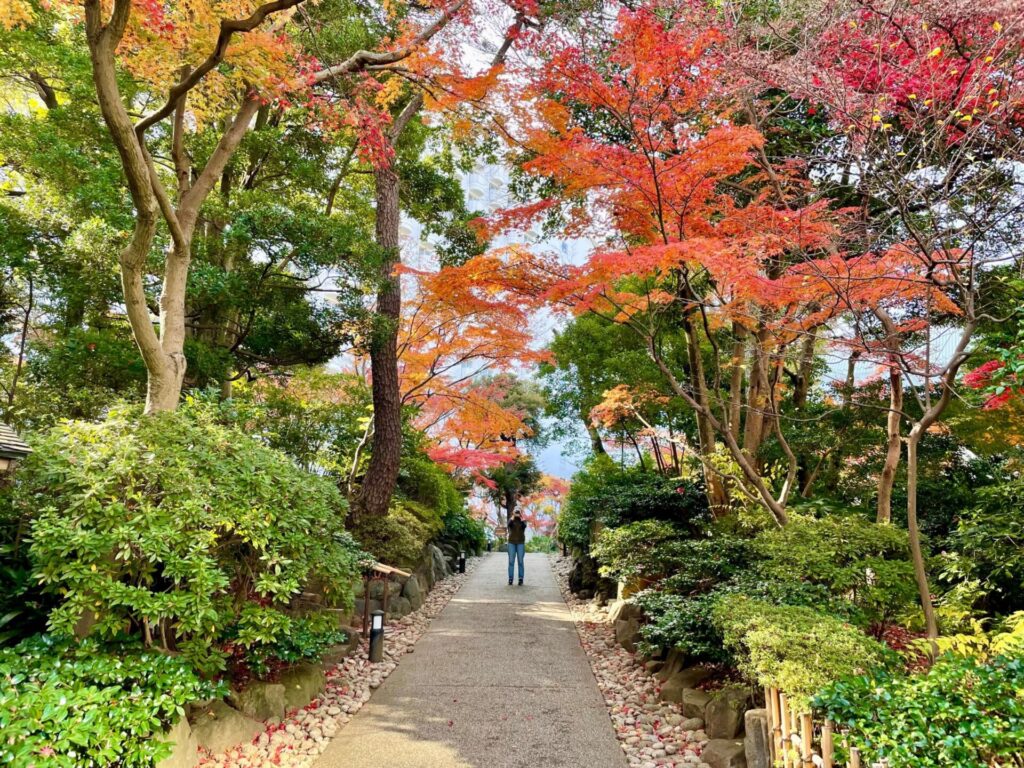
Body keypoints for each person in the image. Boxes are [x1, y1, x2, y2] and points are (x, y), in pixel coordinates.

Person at [507, 511, 527, 585]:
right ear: (513, 513)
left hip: (520, 543)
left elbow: (524, 526)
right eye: (516, 512)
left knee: (520, 561)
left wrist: (521, 518)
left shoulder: (523, 521)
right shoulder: (511, 520)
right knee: (511, 561)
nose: (517, 514)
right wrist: (512, 517)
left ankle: (520, 578)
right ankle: (510, 578)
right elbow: (508, 525)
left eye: (518, 512)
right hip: (511, 543)